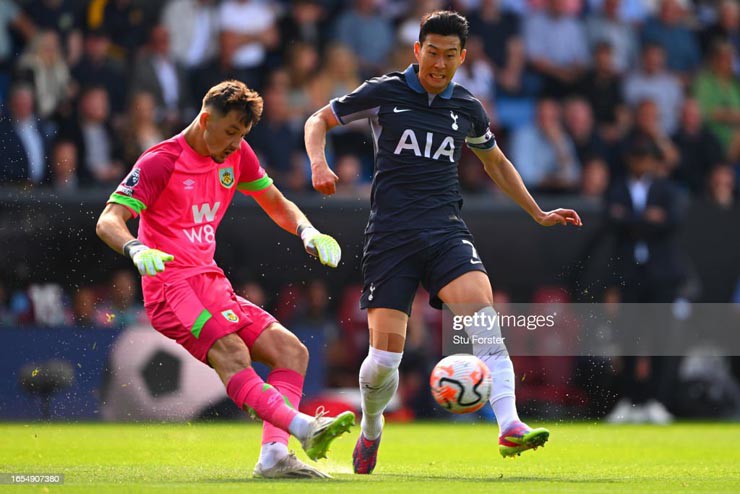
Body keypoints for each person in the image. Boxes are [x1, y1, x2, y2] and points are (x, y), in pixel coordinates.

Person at [304, 11, 582, 474]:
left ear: (462, 58)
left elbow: (496, 163)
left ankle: (510, 424)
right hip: (391, 237)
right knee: (383, 361)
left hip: (445, 230)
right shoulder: (384, 92)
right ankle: (372, 429)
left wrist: (537, 211)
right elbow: (318, 119)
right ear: (417, 51)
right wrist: (318, 163)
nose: (438, 63)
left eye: (449, 55)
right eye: (431, 52)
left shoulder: (468, 108)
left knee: (487, 325)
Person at [96, 80, 353, 479]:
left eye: (243, 135)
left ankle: (273, 456)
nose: (236, 143)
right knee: (232, 352)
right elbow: (108, 220)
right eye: (231, 132)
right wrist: (136, 249)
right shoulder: (160, 161)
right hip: (171, 287)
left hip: (212, 282)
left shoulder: (237, 155)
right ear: (205, 119)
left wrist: (307, 231)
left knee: (292, 352)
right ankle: (304, 426)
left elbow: (275, 201)